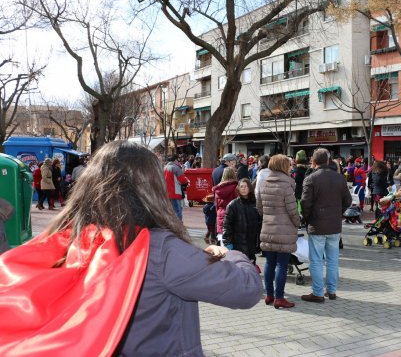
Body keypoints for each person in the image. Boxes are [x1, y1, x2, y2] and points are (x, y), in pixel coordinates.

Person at [0, 141, 262, 355]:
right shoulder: (161, 250)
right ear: (151, 187)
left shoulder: (72, 238)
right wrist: (232, 253)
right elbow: (246, 290)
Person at [300, 149, 351, 302]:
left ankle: (317, 292)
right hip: (334, 225)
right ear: (328, 161)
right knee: (332, 260)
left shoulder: (311, 179)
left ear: (313, 162)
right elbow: (348, 201)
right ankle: (331, 290)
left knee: (316, 260)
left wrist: (308, 218)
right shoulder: (339, 178)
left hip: (317, 224)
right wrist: (337, 212)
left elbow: (305, 203)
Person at [256, 154, 300, 309]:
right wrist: (297, 223)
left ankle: (269, 294)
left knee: (269, 262)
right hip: (285, 229)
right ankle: (280, 298)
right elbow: (293, 210)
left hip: (267, 227)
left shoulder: (264, 183)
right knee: (282, 263)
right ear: (283, 166)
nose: (291, 167)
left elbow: (260, 208)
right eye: (288, 164)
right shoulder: (286, 185)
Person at [223, 179, 262, 265]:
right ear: (238, 189)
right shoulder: (233, 205)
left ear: (250, 188)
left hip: (251, 244)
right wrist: (228, 242)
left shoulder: (256, 204)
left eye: (246, 186)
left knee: (251, 267)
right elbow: (227, 226)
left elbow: (260, 223)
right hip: (238, 244)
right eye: (241, 186)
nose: (244, 189)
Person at [212, 168, 238, 244]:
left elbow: (216, 205)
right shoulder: (236, 187)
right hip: (233, 216)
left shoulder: (217, 189)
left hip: (221, 215)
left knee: (222, 242)